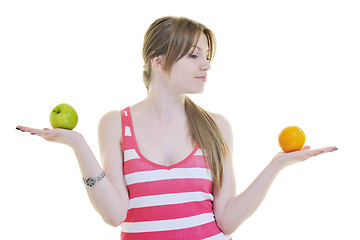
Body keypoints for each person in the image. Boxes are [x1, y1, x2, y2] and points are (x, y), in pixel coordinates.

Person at [16, 16, 337, 240]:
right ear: (158, 60)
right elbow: (115, 215)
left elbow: (226, 219)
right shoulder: (115, 123)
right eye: (195, 55)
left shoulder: (216, 126)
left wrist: (277, 164)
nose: (207, 65)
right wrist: (79, 146)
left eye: (208, 56)